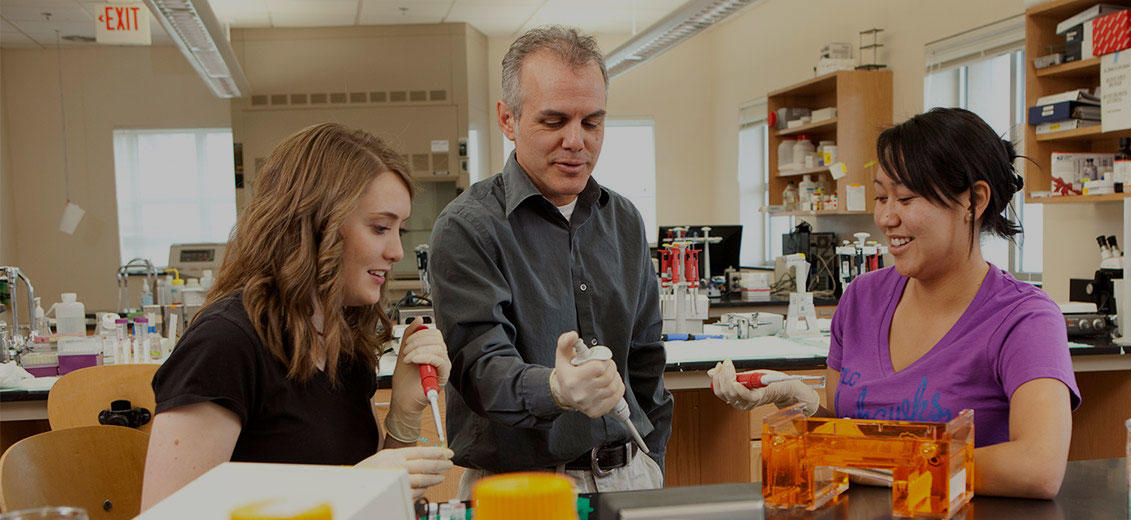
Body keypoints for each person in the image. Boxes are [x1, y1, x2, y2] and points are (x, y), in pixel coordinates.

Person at [709, 107, 1080, 499]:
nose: (886, 217)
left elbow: (1039, 467)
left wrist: (875, 462)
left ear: (975, 200)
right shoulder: (861, 299)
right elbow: (853, 431)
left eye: (905, 198)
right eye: (881, 196)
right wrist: (803, 405)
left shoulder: (1023, 318)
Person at [141, 123, 454, 508]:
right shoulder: (226, 344)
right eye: (379, 228)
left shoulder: (345, 346)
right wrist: (347, 486)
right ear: (314, 223)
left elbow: (369, 498)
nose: (395, 252)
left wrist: (404, 415)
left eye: (399, 232)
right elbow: (168, 513)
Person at [429, 26, 671, 495]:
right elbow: (481, 369)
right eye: (554, 121)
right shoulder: (468, 228)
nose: (576, 141)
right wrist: (556, 390)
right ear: (507, 119)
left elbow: (646, 363)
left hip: (630, 478)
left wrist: (652, 461)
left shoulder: (622, 220)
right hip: (521, 490)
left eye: (592, 122)